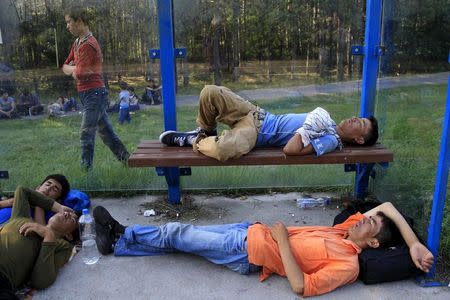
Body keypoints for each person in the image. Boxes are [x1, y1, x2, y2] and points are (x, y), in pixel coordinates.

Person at [93, 202, 433, 297]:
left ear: (373, 243)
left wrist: (283, 242)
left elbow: (303, 287)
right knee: (184, 244)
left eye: (369, 225)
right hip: (248, 232)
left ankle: (123, 231)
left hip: (248, 253)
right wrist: (414, 242)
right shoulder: (343, 232)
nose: (362, 219)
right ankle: (119, 246)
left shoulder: (349, 265)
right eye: (365, 218)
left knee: (180, 234)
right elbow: (386, 206)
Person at [159, 85, 379, 162]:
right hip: (256, 113)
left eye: (359, 123)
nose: (353, 119)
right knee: (210, 92)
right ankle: (205, 130)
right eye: (357, 117)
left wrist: (309, 128)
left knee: (223, 148)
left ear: (359, 139)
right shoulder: (328, 120)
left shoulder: (331, 140)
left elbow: (290, 150)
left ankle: (193, 141)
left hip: (256, 132)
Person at [62, 6, 129, 170]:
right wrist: (73, 69)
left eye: (69, 22)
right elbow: (64, 66)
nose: (67, 26)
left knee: (86, 133)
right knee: (107, 134)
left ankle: (86, 172)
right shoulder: (77, 42)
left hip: (94, 94)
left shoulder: (88, 45)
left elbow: (80, 74)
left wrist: (73, 69)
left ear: (79, 21)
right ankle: (128, 161)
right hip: (87, 94)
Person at [0, 185, 77, 299]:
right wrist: (59, 207)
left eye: (72, 218)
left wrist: (48, 236)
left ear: (69, 235)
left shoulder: (63, 246)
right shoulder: (21, 216)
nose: (67, 214)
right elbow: (23, 190)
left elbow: (40, 281)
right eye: (67, 212)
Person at [0, 174, 71, 225]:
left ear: (58, 201)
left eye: (54, 189)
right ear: (38, 187)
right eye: (47, 184)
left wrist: (39, 202)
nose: (48, 188)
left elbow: (40, 232)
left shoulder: (51, 217)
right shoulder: (19, 197)